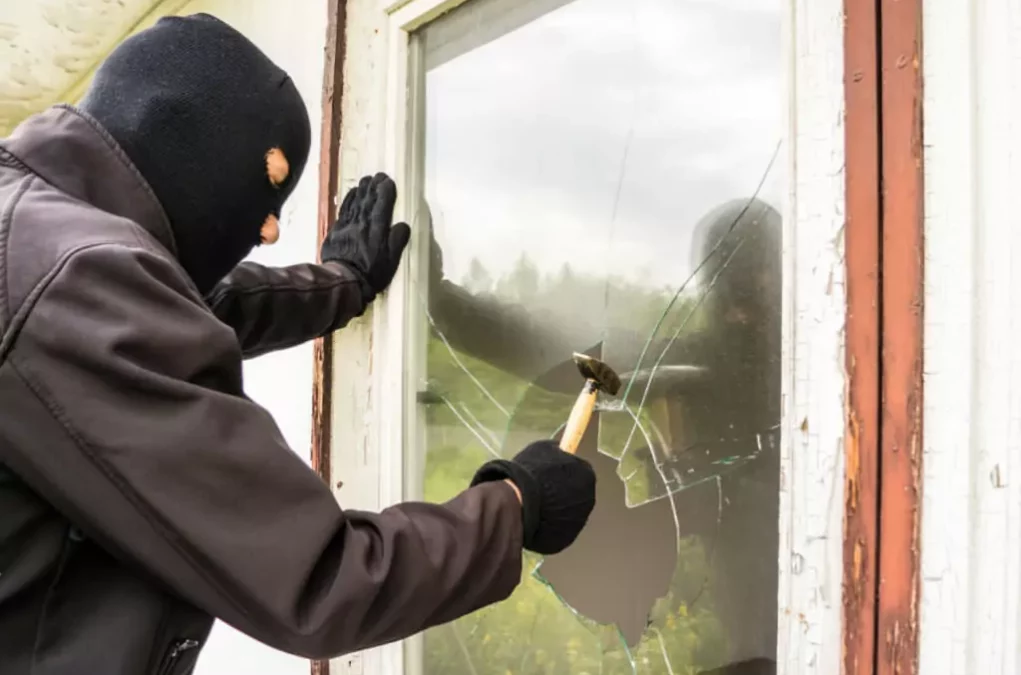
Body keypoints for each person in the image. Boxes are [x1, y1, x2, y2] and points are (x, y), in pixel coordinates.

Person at [0, 13, 596, 675]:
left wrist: (343, 283)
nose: (270, 226)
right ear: (178, 137)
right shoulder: (75, 279)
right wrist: (514, 508)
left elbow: (197, 307)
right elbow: (318, 579)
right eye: (267, 180)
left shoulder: (33, 236)